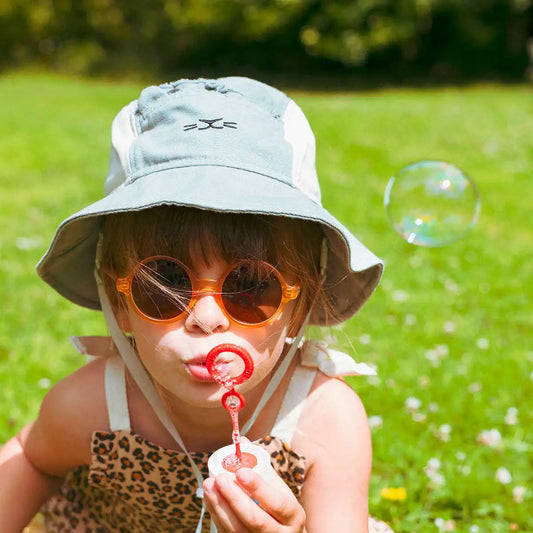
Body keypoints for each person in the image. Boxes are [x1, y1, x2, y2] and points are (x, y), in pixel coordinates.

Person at [0, 77, 393, 533]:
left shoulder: (323, 421)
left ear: (300, 304)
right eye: (165, 284)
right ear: (118, 300)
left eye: (251, 286)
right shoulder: (96, 407)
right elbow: (32, 458)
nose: (206, 319)